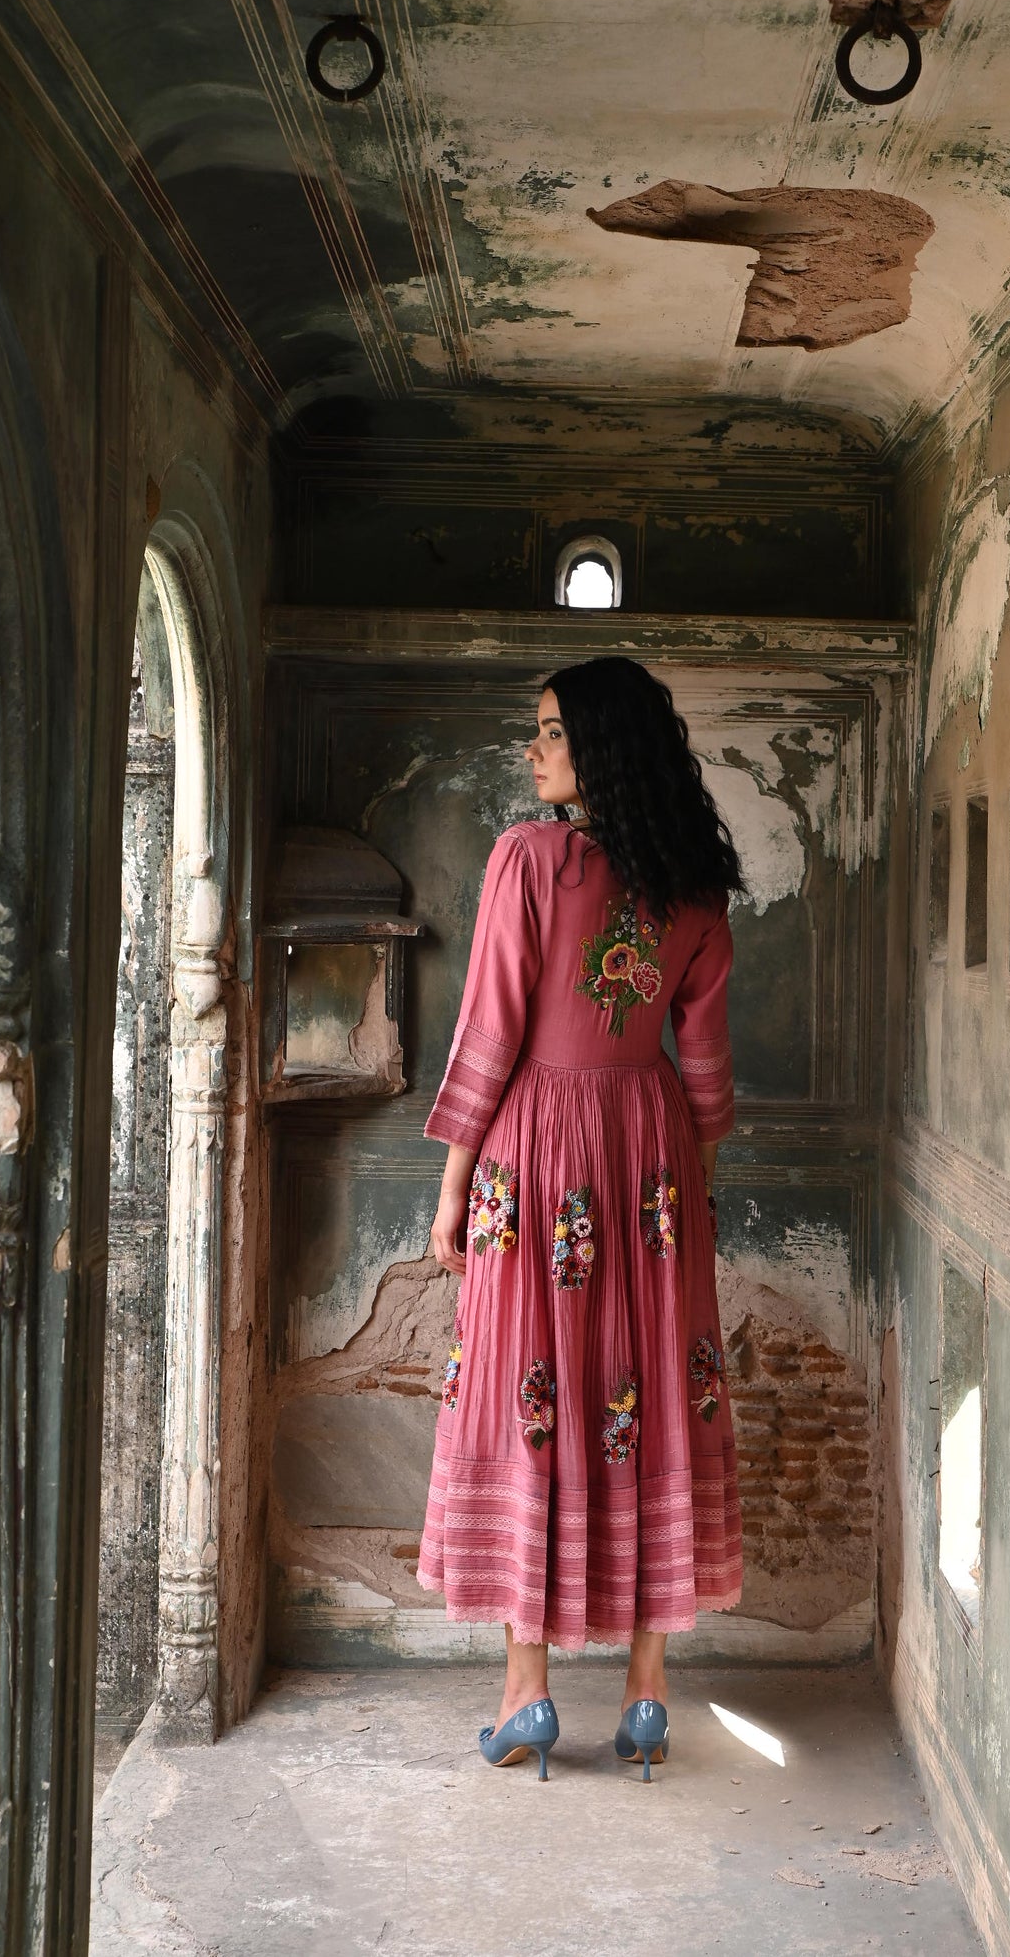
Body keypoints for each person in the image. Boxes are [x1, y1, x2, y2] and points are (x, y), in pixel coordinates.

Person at [418, 655, 744, 1783]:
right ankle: (647, 1698)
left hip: (537, 1149)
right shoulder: (693, 887)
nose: (534, 750)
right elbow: (702, 1070)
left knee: (530, 1391)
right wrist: (682, 1201)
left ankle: (528, 1694)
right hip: (649, 1151)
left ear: (599, 745)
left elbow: (491, 1032)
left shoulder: (527, 860)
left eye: (551, 732)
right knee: (647, 1388)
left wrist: (456, 1185)